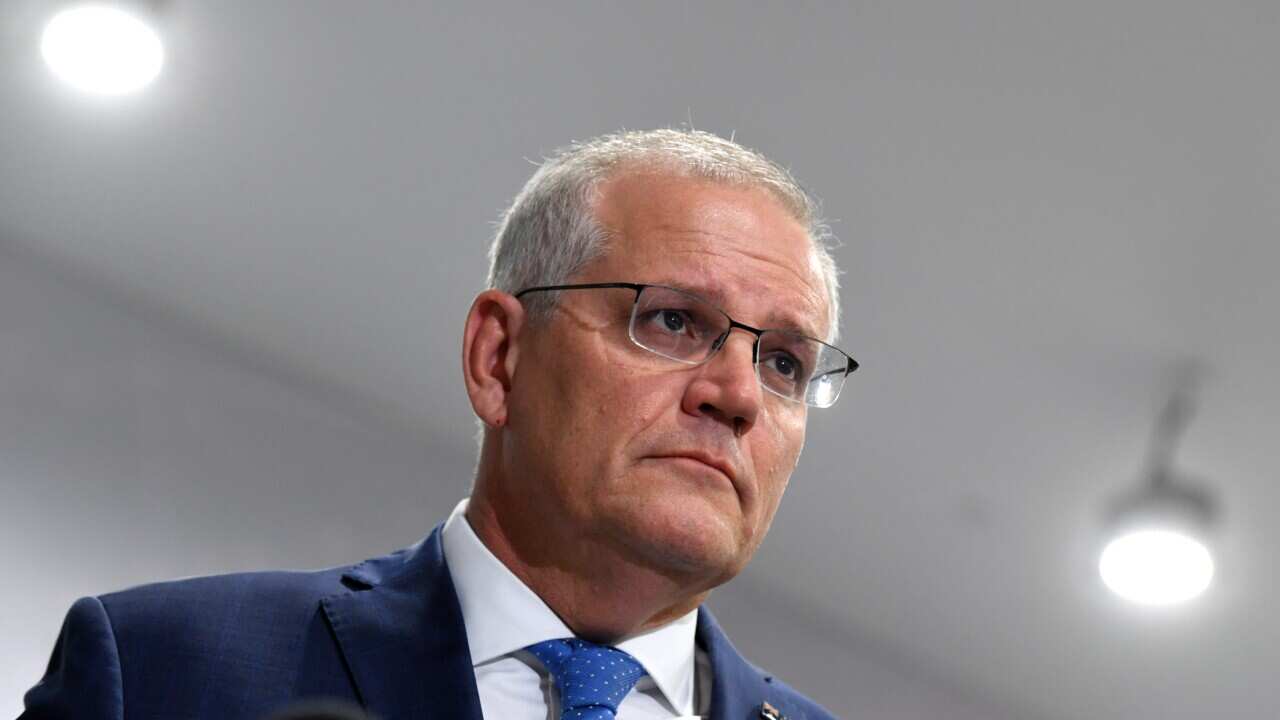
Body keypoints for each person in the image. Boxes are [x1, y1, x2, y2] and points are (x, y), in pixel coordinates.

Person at [21, 129, 857, 720]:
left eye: (785, 363)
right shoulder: (164, 669)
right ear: (499, 358)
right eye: (673, 320)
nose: (738, 395)